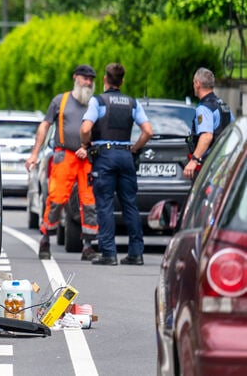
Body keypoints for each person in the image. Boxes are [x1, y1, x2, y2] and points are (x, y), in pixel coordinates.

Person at [80, 62, 153, 266]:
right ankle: (136, 253)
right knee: (130, 204)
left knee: (104, 205)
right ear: (122, 81)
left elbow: (86, 128)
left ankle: (108, 253)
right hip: (125, 156)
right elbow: (148, 131)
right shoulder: (132, 102)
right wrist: (134, 148)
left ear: (105, 79)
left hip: (105, 157)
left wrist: (86, 144)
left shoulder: (99, 101)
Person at [25, 64, 100, 262]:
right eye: (85, 78)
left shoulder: (95, 103)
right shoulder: (61, 100)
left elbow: (99, 131)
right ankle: (45, 240)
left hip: (87, 158)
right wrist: (35, 154)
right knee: (56, 199)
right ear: (76, 78)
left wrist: (88, 147)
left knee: (89, 201)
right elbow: (44, 125)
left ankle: (88, 246)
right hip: (64, 156)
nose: (88, 82)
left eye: (91, 79)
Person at [183, 67, 232, 180]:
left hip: (210, 164)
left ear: (197, 83)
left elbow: (206, 136)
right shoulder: (223, 105)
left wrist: (194, 160)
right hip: (223, 163)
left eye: (193, 83)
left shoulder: (204, 108)